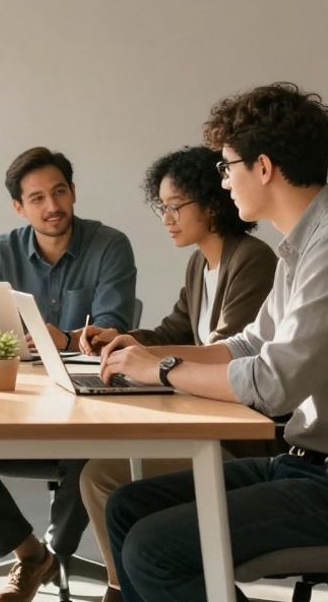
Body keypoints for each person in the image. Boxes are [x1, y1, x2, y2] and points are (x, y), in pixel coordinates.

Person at [100, 82, 328, 602]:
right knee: (127, 507)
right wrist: (144, 358)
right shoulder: (305, 244)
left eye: (226, 166)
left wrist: (163, 370)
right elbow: (250, 345)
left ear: (263, 167)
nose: (224, 181)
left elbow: (274, 384)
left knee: (154, 548)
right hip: (313, 466)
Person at [75, 145, 276, 602]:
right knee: (100, 474)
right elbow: (174, 331)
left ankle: (124, 591)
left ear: (211, 203)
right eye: (161, 207)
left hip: (237, 436)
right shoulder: (200, 263)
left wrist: (148, 358)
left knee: (102, 477)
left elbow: (226, 350)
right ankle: (127, 589)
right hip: (205, 417)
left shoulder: (252, 259)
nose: (166, 218)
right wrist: (120, 338)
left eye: (175, 206)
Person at [0, 146, 137, 602]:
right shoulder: (1, 251)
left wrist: (63, 339)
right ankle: (31, 554)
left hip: (81, 401)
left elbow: (114, 331)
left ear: (73, 192)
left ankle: (53, 551)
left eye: (60, 192)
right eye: (37, 198)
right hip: (16, 401)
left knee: (88, 452)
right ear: (19, 206)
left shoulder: (110, 245)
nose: (52, 207)